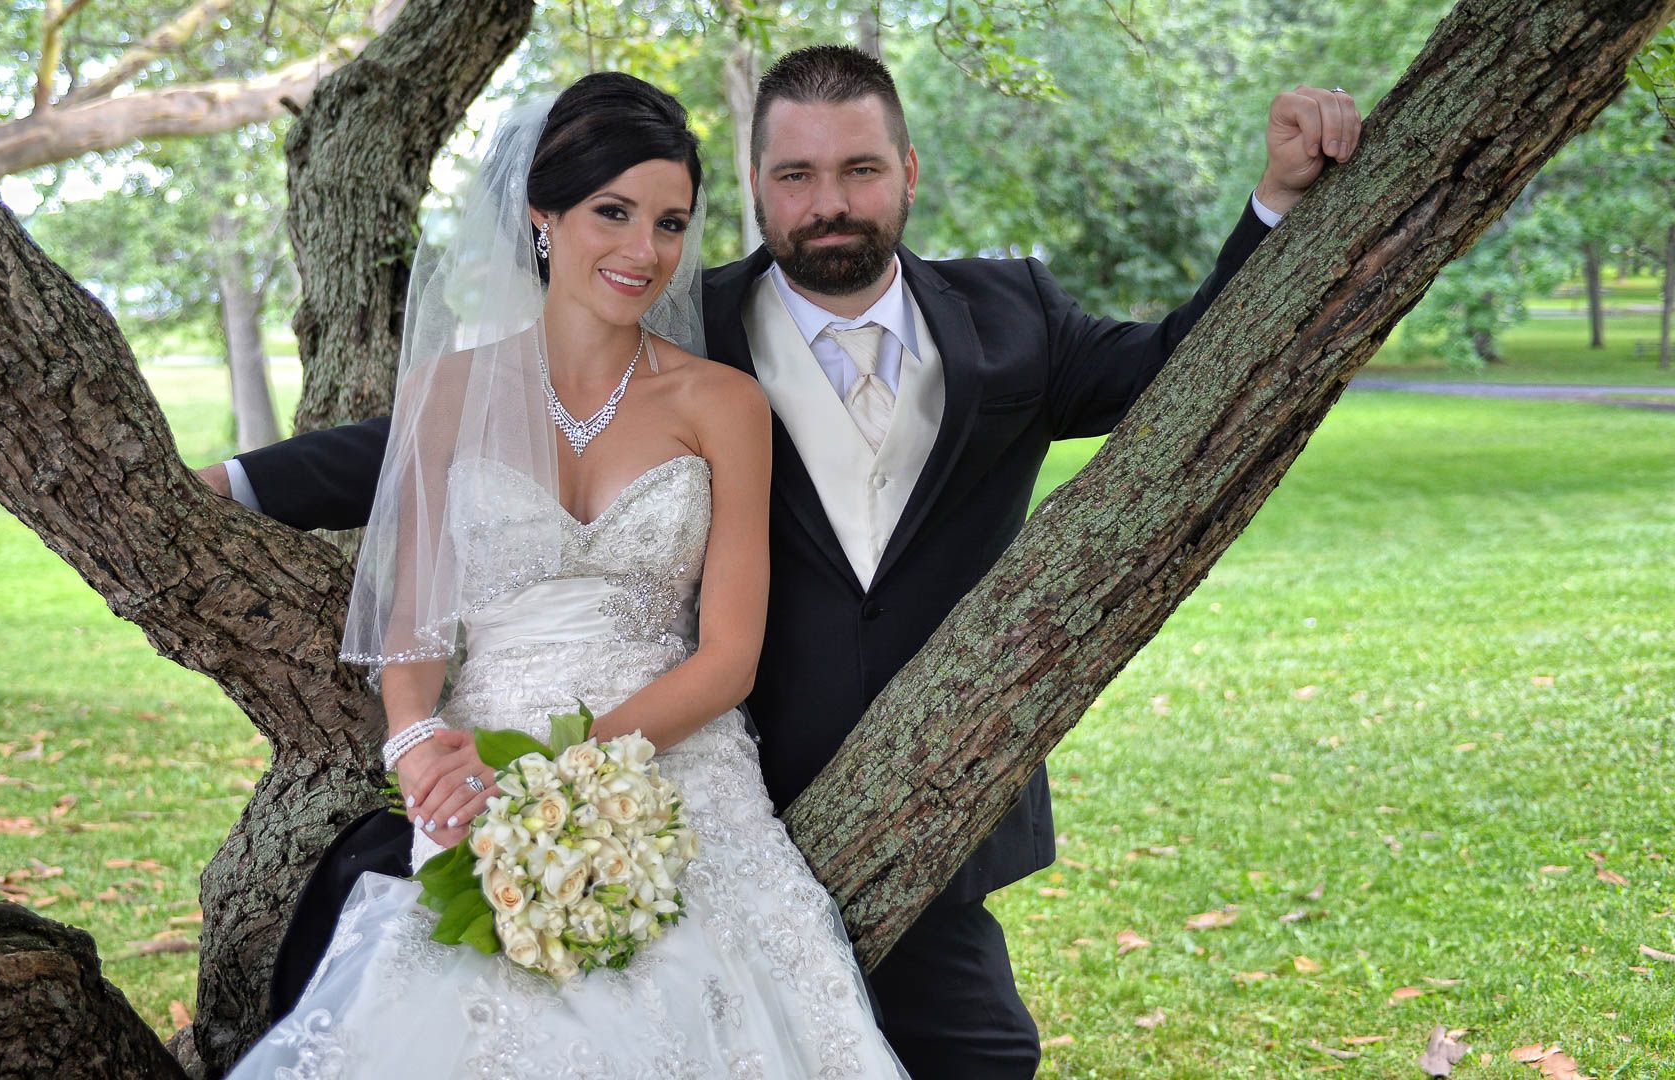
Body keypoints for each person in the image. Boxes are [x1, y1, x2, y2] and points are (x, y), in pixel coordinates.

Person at [206, 47, 1362, 1078]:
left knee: (980, 1051)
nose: (829, 204)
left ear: (907, 170)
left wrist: (1276, 205)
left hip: (910, 783)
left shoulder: (1011, 319)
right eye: (795, 177)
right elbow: (432, 445)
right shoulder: (678, 314)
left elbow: (1184, 369)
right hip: (726, 759)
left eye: (859, 169)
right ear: (757, 195)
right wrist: (238, 485)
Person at [221, 72, 908, 1078]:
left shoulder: (723, 405)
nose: (645, 252)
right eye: (612, 213)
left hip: (681, 773)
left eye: (670, 222)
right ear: (542, 217)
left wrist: (560, 774)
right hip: (477, 778)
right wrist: (417, 747)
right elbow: (410, 625)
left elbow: (728, 658)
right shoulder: (447, 392)